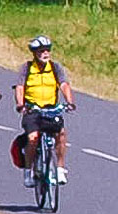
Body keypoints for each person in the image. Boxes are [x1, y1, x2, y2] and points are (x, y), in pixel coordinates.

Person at [14, 34, 73, 181]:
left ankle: (59, 168)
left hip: (51, 109)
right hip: (32, 110)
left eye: (47, 50)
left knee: (61, 134)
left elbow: (64, 84)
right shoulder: (27, 68)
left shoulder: (55, 67)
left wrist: (69, 101)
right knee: (33, 138)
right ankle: (28, 171)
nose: (45, 54)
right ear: (34, 53)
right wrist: (20, 105)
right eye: (41, 51)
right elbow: (20, 87)